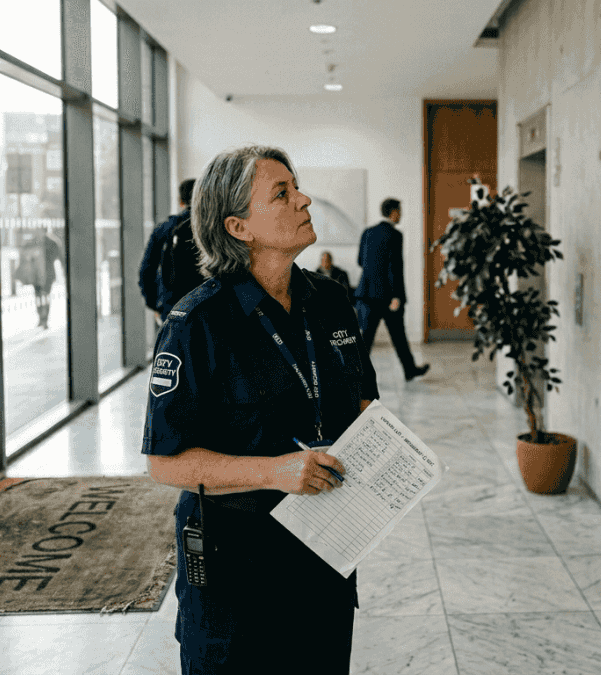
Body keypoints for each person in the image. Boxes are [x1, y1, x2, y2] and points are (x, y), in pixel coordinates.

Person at [143, 146, 377, 673]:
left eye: (297, 187)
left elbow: (362, 402)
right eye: (282, 193)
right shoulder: (196, 324)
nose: (304, 199)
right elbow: (165, 462)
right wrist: (275, 471)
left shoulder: (333, 300)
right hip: (236, 571)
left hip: (326, 551)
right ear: (238, 226)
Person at [354, 198, 430, 381]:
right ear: (393, 212)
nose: (401, 215)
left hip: (366, 294)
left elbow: (359, 261)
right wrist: (396, 295)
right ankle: (410, 370)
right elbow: (394, 267)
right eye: (400, 211)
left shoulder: (367, 233)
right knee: (399, 336)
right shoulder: (395, 235)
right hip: (388, 297)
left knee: (366, 339)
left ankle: (355, 375)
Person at [139, 178, 199, 319]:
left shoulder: (165, 229)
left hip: (172, 305)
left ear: (180, 201)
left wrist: (156, 304)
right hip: (208, 306)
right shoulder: (212, 227)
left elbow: (146, 271)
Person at [14, 229, 63, 329]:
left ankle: (44, 318)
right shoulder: (44, 242)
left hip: (45, 274)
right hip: (37, 274)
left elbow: (59, 257)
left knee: (44, 296)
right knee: (39, 296)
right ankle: (42, 318)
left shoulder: (50, 242)